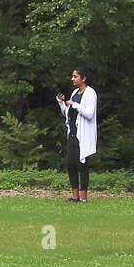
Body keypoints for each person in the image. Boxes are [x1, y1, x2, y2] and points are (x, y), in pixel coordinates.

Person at [56, 67, 97, 202]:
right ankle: (75, 196)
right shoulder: (74, 92)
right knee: (71, 164)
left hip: (83, 134)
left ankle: (84, 196)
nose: (72, 79)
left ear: (83, 78)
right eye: (72, 76)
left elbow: (89, 114)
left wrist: (75, 105)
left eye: (75, 76)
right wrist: (62, 102)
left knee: (81, 164)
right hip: (72, 133)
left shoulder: (90, 93)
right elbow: (68, 113)